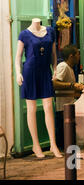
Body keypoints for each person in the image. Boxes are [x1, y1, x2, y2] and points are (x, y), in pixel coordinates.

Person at [15, 18, 62, 158]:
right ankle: (36, 145)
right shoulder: (24, 34)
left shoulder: (50, 31)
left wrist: (55, 69)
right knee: (32, 109)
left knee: (48, 107)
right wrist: (18, 73)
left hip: (45, 71)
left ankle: (53, 144)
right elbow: (18, 57)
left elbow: (54, 54)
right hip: (30, 72)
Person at [53, 45, 84, 149]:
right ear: (71, 56)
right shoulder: (63, 66)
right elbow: (54, 83)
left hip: (70, 105)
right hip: (63, 108)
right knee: (64, 138)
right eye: (78, 54)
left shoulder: (69, 68)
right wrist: (72, 85)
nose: (79, 56)